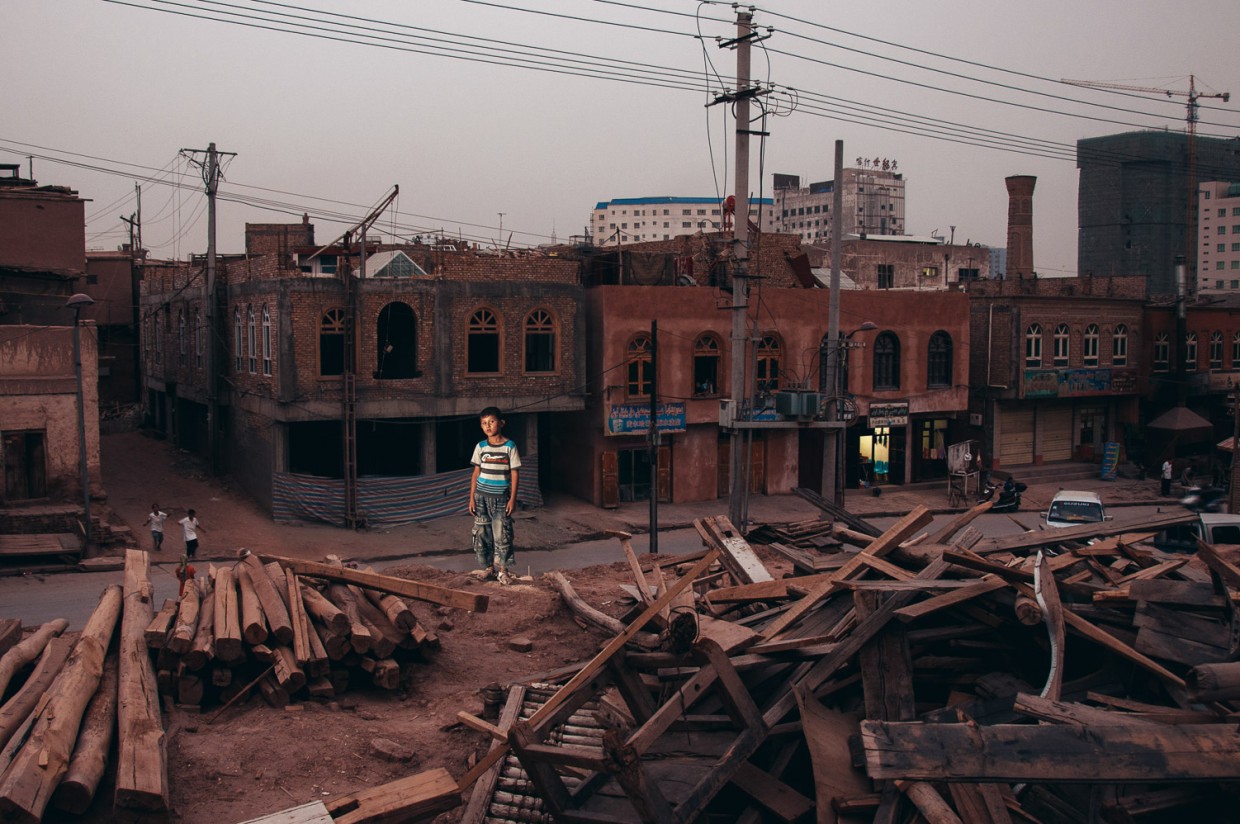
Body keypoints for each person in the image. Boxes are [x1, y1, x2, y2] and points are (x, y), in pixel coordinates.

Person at [468, 407, 521, 585]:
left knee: (502, 535)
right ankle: (488, 569)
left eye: (491, 421)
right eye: (484, 423)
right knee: (482, 534)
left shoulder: (510, 446)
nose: (488, 426)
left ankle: (503, 571)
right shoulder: (480, 447)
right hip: (481, 498)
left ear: (501, 423)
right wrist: (471, 498)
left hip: (501, 499)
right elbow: (476, 473)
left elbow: (515, 474)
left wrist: (512, 499)